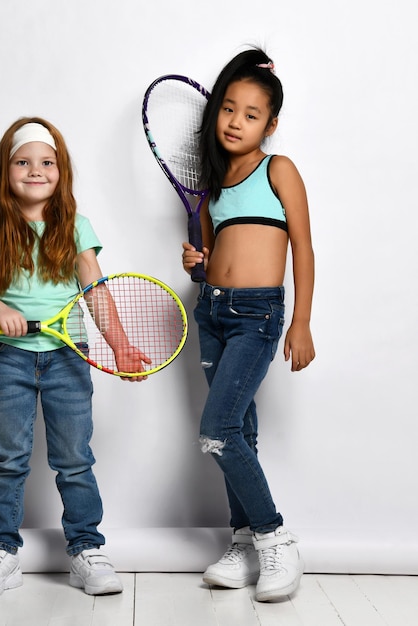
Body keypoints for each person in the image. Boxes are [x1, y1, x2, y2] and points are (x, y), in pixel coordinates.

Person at [0, 117, 148, 597]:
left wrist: (121, 344)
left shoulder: (75, 227)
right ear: (5, 172)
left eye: (47, 162)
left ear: (61, 171)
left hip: (68, 358)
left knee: (75, 461)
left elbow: (96, 292)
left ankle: (86, 549)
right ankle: (1, 553)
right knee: (8, 460)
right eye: (22, 162)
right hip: (9, 360)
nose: (35, 170)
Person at [182, 48, 315, 602]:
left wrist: (301, 321)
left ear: (271, 124)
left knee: (218, 432)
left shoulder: (278, 169)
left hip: (258, 315)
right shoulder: (212, 190)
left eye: (251, 113)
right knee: (242, 432)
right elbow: (212, 259)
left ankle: (274, 537)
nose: (236, 121)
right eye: (228, 109)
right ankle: (242, 541)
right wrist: (197, 265)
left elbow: (303, 249)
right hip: (211, 311)